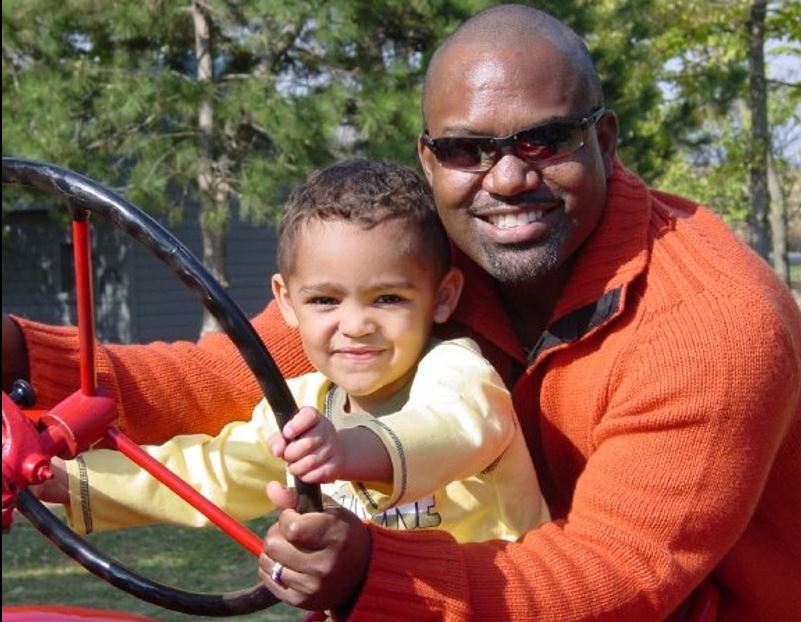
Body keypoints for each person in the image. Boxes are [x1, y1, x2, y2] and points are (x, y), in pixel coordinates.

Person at [3, 4, 800, 621]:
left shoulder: (710, 329)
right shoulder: (418, 264)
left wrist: (372, 569)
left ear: (606, 139)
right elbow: (228, 381)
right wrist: (18, 360)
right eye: (465, 149)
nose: (507, 178)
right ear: (428, 158)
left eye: (546, 140)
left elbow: (619, 577)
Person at [31, 158, 549, 550]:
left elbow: (453, 429)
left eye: (388, 298)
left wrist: (346, 452)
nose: (356, 325)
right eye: (325, 299)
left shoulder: (459, 376)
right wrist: (61, 479)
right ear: (286, 302)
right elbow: (208, 472)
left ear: (442, 298)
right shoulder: (300, 406)